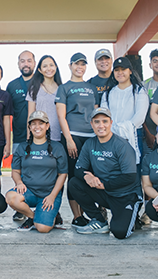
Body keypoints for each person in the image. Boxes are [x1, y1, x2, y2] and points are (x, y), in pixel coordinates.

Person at [68, 108, 142, 239]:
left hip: (124, 195)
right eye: (97, 122)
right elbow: (78, 168)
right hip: (105, 193)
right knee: (74, 183)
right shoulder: (90, 143)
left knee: (120, 233)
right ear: (92, 124)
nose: (101, 125)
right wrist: (87, 176)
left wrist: (104, 185)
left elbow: (130, 177)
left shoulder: (121, 145)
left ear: (111, 123)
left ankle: (130, 216)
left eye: (105, 121)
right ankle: (99, 220)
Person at [55, 52, 99, 228]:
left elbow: (97, 115)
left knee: (89, 176)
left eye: (83, 64)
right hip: (73, 136)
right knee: (74, 176)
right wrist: (69, 139)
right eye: (76, 64)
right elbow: (61, 116)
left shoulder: (92, 88)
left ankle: (91, 212)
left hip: (91, 137)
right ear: (70, 66)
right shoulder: (64, 88)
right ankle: (76, 216)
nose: (79, 67)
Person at [6, 111, 68, 233]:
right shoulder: (22, 147)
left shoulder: (57, 147)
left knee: (43, 228)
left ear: (47, 126)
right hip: (29, 192)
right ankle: (32, 217)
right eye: (33, 124)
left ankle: (50, 215)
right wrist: (18, 182)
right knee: (11, 197)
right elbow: (15, 171)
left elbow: (62, 174)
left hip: (49, 194)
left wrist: (52, 196)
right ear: (29, 127)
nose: (37, 127)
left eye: (41, 123)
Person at [101, 57, 149, 165]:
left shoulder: (139, 91)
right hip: (112, 134)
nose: (120, 73)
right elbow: (104, 115)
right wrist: (114, 129)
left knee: (133, 167)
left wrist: (124, 129)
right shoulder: (108, 93)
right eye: (117, 70)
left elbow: (140, 116)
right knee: (113, 166)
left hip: (134, 134)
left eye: (123, 69)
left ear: (130, 71)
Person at [6, 51, 36, 221]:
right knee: (20, 173)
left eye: (29, 61)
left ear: (34, 63)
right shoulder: (11, 85)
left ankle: (44, 204)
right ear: (18, 64)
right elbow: (8, 114)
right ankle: (21, 205)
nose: (26, 64)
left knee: (40, 171)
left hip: (40, 137)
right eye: (22, 61)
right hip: (18, 137)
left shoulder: (41, 82)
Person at [27, 55, 63, 142]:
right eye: (45, 66)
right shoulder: (34, 89)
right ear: (39, 70)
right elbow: (30, 115)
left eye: (51, 65)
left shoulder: (62, 88)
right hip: (39, 136)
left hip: (59, 136)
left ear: (56, 67)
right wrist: (29, 138)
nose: (49, 68)